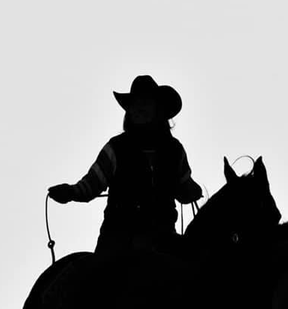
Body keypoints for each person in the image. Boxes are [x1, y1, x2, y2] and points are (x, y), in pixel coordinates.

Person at [48, 75, 203, 260]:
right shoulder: (115, 148)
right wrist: (70, 192)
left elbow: (185, 188)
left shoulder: (175, 151)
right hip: (118, 243)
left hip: (164, 241)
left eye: (145, 102)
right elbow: (91, 185)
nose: (139, 108)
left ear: (158, 109)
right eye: (135, 103)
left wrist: (193, 191)